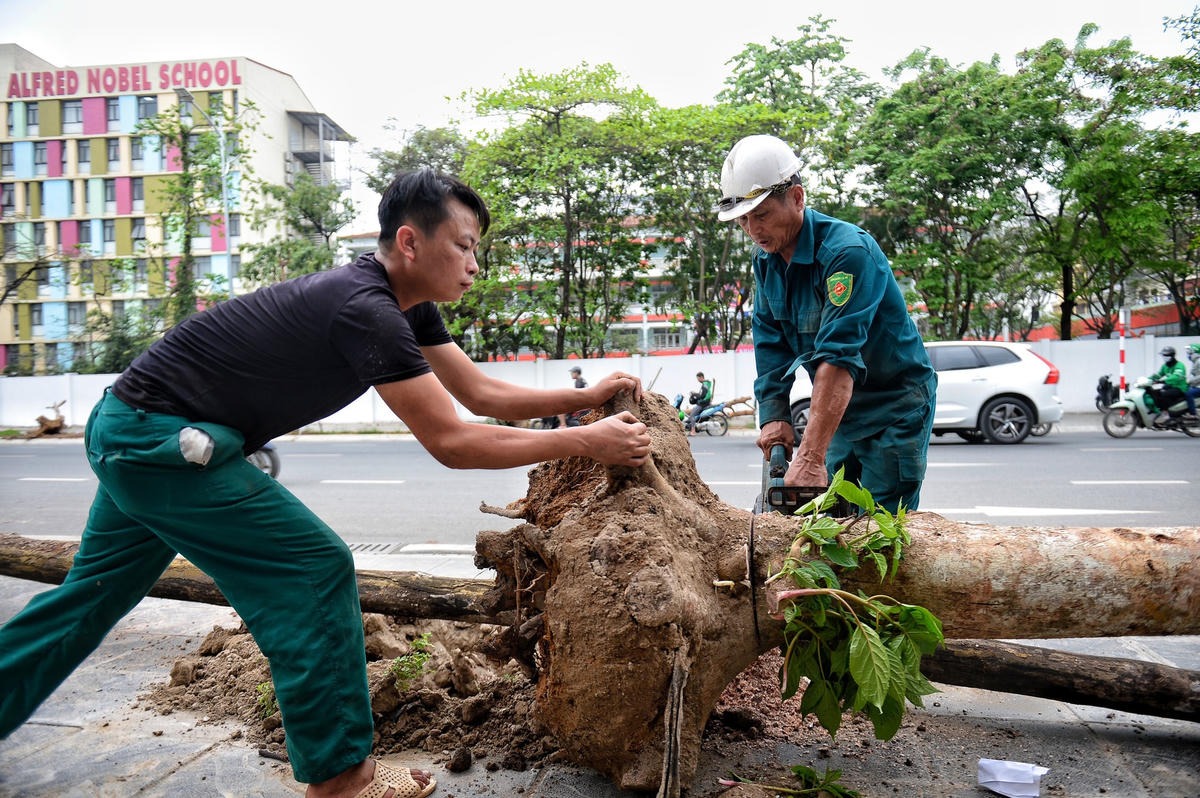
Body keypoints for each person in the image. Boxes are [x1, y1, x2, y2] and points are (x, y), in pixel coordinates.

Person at [0, 169, 651, 798]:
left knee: (87, 601)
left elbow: (476, 391)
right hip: (154, 444)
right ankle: (341, 780)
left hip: (133, 428)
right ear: (409, 241)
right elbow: (452, 442)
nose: (474, 262)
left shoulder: (406, 306)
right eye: (464, 245)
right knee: (311, 569)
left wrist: (583, 396)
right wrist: (586, 441)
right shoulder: (365, 309)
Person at [715, 134, 936, 512]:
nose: (753, 230)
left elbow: (838, 356)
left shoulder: (847, 253)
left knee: (878, 527)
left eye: (762, 214)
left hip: (893, 409)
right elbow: (771, 341)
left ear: (797, 198)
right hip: (841, 411)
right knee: (829, 516)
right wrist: (775, 416)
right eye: (744, 220)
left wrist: (811, 455)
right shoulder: (765, 260)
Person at [1146, 345, 1189, 420]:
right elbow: (1158, 375)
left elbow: (1176, 376)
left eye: (1166, 355)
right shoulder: (1165, 366)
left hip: (1180, 388)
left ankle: (1167, 413)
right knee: (1154, 392)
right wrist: (1148, 379)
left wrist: (1163, 381)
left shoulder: (1179, 365)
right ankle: (1159, 411)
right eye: (1164, 355)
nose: (1165, 357)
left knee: (1162, 394)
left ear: (1172, 356)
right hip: (1170, 386)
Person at [1186, 344, 1200, 418]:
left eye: (1190, 353)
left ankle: (1193, 414)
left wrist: (1190, 381)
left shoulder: (1199, 361)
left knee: (1189, 394)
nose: (1188, 355)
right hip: (1196, 386)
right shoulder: (1195, 362)